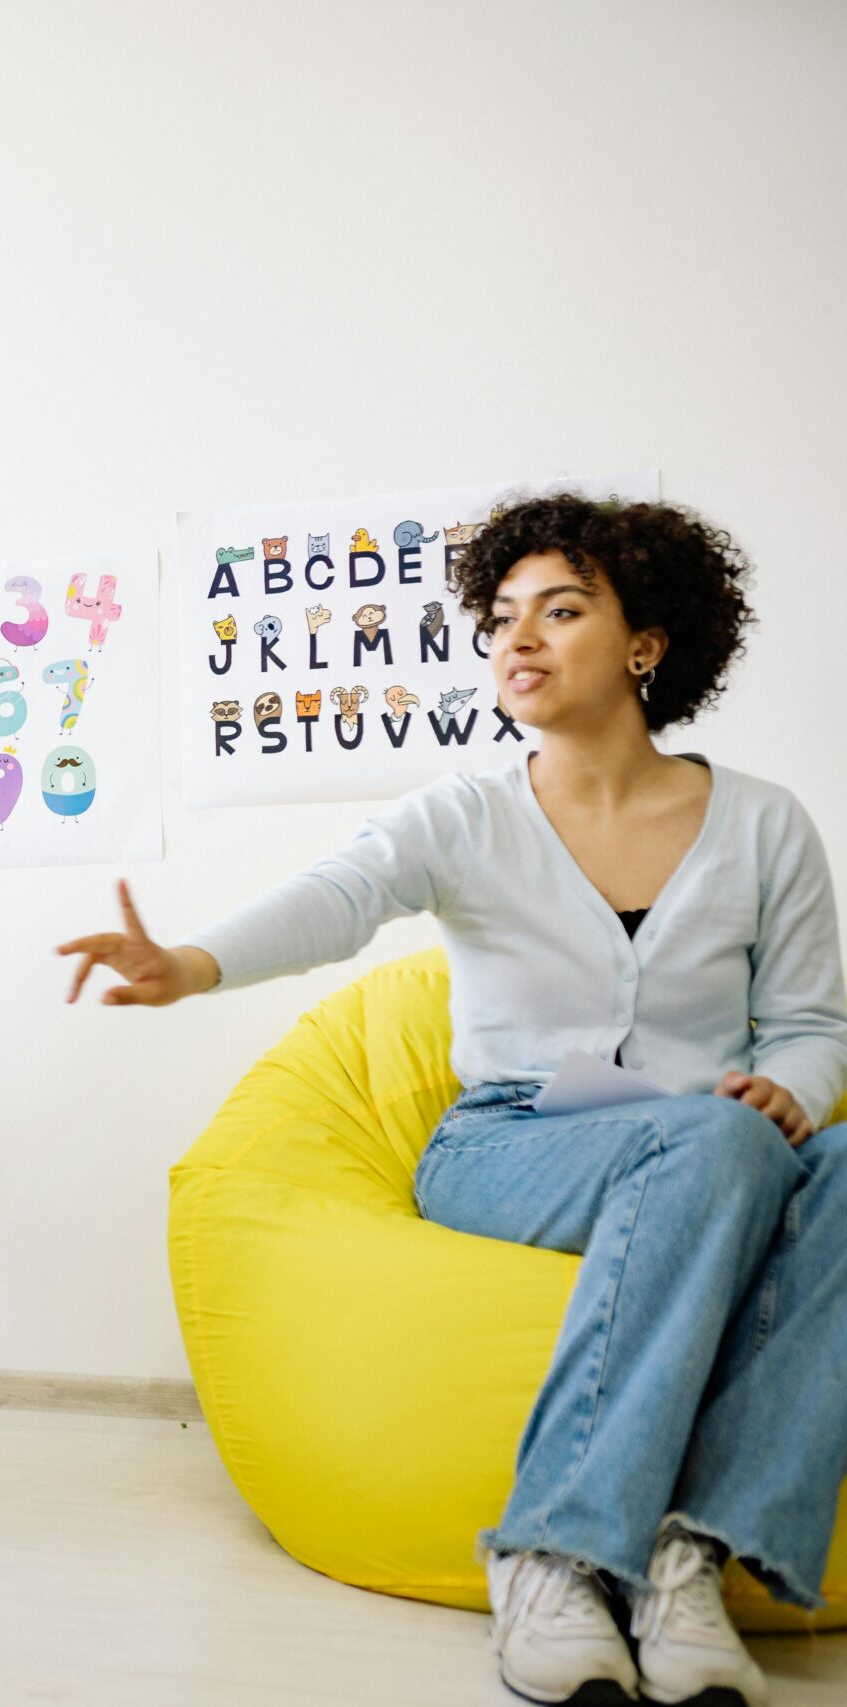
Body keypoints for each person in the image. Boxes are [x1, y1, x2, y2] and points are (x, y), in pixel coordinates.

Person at [60, 494, 847, 1707]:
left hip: (718, 1144)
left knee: (789, 1160)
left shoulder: (764, 825)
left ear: (647, 643)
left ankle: (690, 1560)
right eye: (499, 617)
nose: (514, 640)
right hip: (514, 1143)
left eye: (561, 611)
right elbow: (340, 895)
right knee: (713, 1143)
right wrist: (187, 966)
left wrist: (790, 1093)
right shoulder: (464, 814)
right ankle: (555, 1552)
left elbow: (809, 1025)